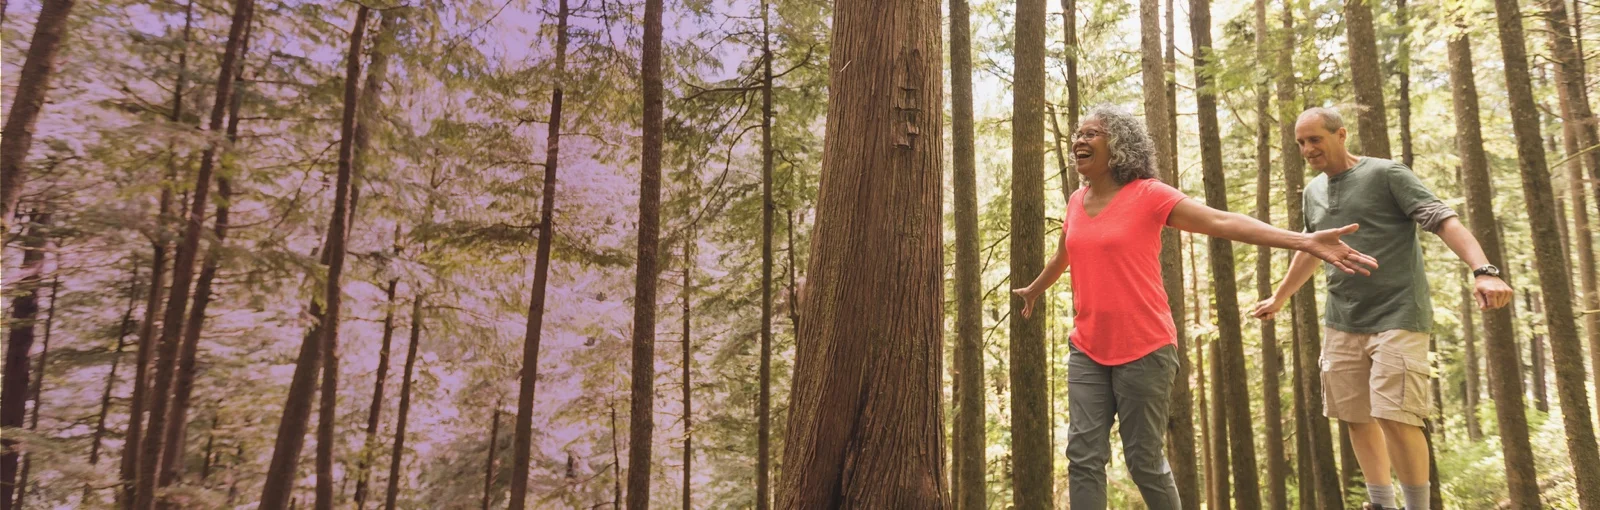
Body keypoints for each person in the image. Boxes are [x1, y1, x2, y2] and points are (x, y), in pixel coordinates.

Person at [1012, 104, 1378, 510]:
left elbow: (1221, 222)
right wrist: (1035, 287)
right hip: (1087, 348)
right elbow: (1067, 250)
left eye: (1092, 133)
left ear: (1119, 145)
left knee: (1143, 460)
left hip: (1145, 349)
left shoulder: (1149, 195)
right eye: (1078, 134)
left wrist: (1301, 240)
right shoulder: (1076, 201)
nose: (1080, 140)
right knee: (1082, 457)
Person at [1250, 107, 1514, 510]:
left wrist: (1483, 270)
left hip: (1398, 313)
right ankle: (1381, 503)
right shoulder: (1313, 192)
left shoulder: (1386, 174)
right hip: (1342, 319)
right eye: (1301, 143)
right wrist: (1281, 296)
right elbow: (1311, 247)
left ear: (1340, 134)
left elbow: (1443, 219)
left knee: (1396, 414)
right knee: (1355, 416)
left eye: (1315, 139)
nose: (1307, 149)